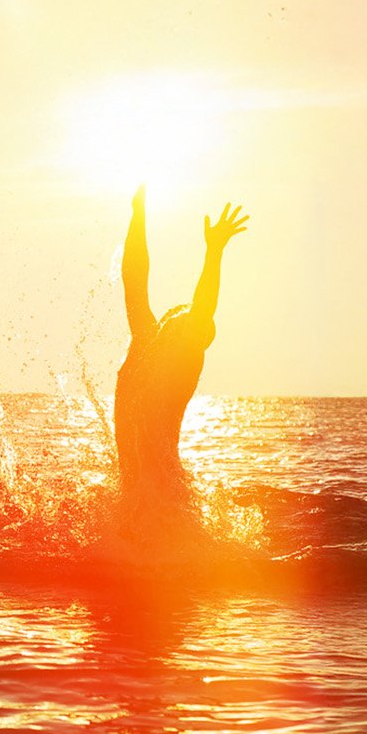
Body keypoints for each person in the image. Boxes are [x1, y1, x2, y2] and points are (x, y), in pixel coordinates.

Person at [115, 186, 247, 506]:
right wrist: (138, 215)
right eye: (180, 313)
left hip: (164, 491)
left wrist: (214, 252)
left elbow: (203, 305)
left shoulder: (181, 365)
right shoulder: (146, 341)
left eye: (191, 322)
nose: (182, 317)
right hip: (135, 488)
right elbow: (134, 277)